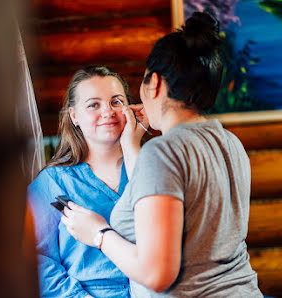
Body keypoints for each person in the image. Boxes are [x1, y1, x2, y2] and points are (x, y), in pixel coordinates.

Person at [61, 11, 263, 297]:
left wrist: (99, 235)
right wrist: (133, 143)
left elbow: (157, 274)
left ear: (154, 83)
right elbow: (157, 190)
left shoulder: (162, 152)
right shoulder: (230, 143)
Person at [28, 66, 148, 297]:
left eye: (116, 102)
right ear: (74, 116)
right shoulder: (52, 182)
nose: (108, 112)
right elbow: (36, 260)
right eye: (94, 104)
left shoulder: (152, 168)